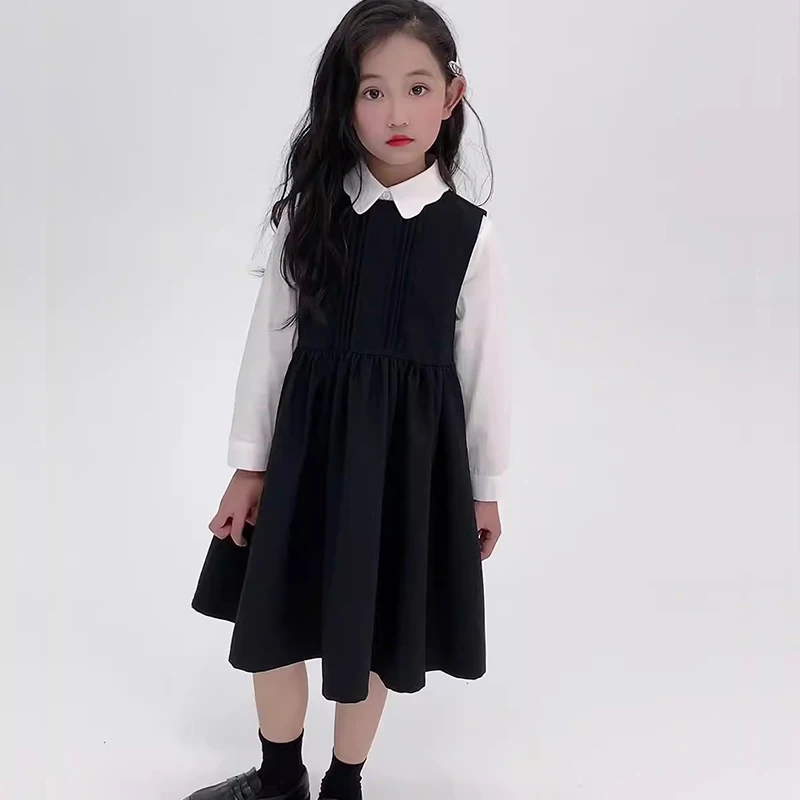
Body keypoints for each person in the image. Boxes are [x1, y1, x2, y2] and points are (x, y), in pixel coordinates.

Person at [184, 1, 511, 798]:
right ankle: (279, 780)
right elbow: (269, 348)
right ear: (345, 101)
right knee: (274, 618)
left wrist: (485, 488)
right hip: (308, 454)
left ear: (452, 95)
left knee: (373, 629)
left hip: (405, 464)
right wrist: (248, 469)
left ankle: (344, 784)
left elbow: (484, 369)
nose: (396, 113)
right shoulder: (311, 215)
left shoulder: (470, 235)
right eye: (372, 91)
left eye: (417, 88)